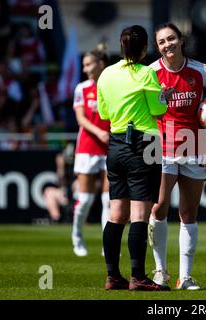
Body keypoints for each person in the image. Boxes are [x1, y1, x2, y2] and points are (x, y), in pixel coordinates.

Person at [148, 23, 206, 290]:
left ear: (181, 40)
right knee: (159, 207)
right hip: (161, 149)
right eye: (162, 41)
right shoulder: (152, 73)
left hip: (196, 148)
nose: (168, 44)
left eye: (172, 38)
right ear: (158, 47)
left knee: (189, 214)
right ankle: (160, 272)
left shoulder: (200, 71)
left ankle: (185, 277)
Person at [97, 25, 169, 291]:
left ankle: (113, 276)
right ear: (144, 48)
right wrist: (163, 96)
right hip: (143, 143)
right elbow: (158, 110)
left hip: (115, 144)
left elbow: (104, 113)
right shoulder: (146, 73)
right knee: (140, 213)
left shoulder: (106, 74)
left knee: (117, 213)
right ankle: (138, 276)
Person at [71, 44, 111, 257]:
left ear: (101, 64)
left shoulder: (112, 87)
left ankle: (108, 245)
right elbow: (80, 119)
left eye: (89, 64)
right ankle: (77, 237)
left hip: (110, 147)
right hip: (87, 146)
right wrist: (99, 132)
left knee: (108, 200)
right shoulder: (82, 88)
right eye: (84, 65)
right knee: (85, 199)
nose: (85, 69)